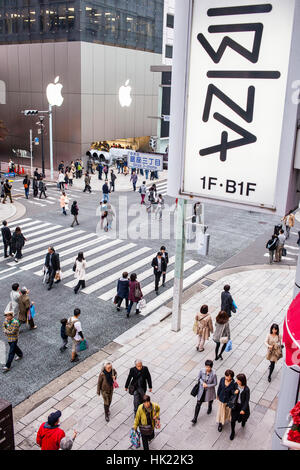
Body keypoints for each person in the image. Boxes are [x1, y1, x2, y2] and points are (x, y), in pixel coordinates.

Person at [191, 359, 217, 424]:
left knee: (210, 400)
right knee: (198, 403)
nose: (207, 368)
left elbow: (215, 383)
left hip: (209, 390)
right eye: (206, 366)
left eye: (209, 367)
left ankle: (210, 407)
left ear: (211, 367)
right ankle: (195, 418)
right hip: (201, 390)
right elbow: (199, 379)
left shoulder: (214, 374)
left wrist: (207, 385)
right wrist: (203, 383)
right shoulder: (201, 370)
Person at [230, 374, 250, 440]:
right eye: (237, 379)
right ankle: (232, 431)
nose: (237, 381)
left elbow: (247, 401)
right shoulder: (235, 384)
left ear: (242, 381)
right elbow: (231, 390)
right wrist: (234, 392)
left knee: (243, 418)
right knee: (233, 420)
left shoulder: (246, 389)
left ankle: (243, 421)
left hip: (242, 406)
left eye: (238, 380)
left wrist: (243, 409)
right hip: (235, 405)